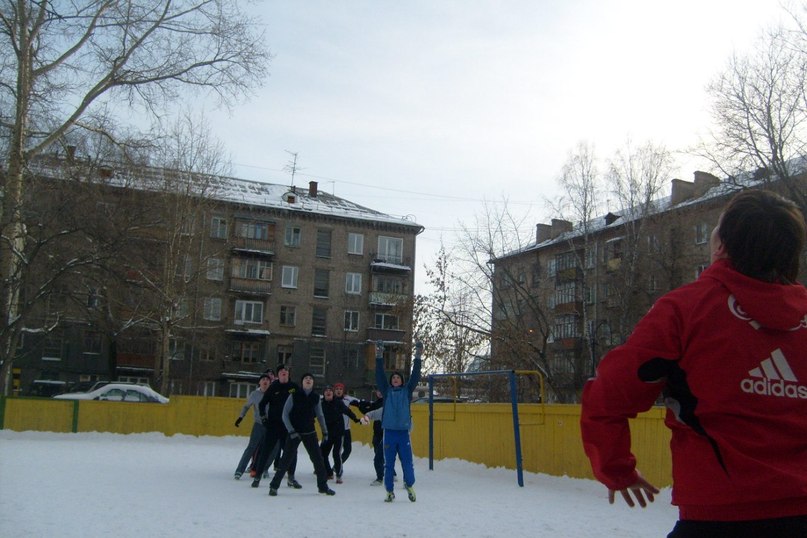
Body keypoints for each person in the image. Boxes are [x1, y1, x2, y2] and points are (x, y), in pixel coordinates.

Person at [580, 189, 807, 537]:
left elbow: (608, 394)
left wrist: (616, 469)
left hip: (718, 514)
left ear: (721, 247)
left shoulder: (686, 310)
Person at [267, 373, 335, 496]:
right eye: (305, 379)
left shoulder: (315, 398)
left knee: (318, 460)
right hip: (295, 432)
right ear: (302, 382)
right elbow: (285, 414)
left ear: (313, 383)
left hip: (309, 431)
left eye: (310, 379)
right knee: (286, 460)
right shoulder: (294, 395)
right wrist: (291, 430)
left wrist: (325, 431)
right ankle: (274, 486)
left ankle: (323, 486)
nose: (308, 380)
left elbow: (320, 415)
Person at [375, 340, 423, 502]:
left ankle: (409, 484)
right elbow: (379, 375)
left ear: (402, 381)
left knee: (407, 463)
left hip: (403, 434)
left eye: (398, 377)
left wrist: (417, 356)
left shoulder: (407, 391)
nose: (395, 379)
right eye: (393, 377)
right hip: (389, 433)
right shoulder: (386, 392)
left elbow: (416, 375)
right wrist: (379, 355)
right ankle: (389, 491)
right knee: (389, 465)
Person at [251, 365, 300, 489]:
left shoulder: (294, 387)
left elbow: (301, 404)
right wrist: (264, 419)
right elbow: (262, 404)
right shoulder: (273, 387)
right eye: (281, 371)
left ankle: (291, 477)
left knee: (291, 452)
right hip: (273, 425)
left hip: (288, 426)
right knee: (266, 451)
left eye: (286, 371)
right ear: (278, 375)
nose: (284, 373)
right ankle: (257, 477)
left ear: (289, 374)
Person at [232, 371, 274, 479]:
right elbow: (246, 406)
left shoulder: (273, 394)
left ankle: (264, 469)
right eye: (263, 380)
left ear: (270, 383)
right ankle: (239, 470)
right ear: (259, 382)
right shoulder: (254, 394)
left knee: (273, 449)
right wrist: (241, 417)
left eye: (267, 380)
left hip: (271, 426)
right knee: (251, 447)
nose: (265, 381)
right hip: (259, 424)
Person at [319, 385, 360, 483]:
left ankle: (339, 474)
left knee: (336, 454)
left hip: (338, 433)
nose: (328, 392)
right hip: (327, 433)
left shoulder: (338, 403)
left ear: (332, 394)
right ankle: (329, 472)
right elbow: (313, 414)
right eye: (326, 391)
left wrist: (356, 419)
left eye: (330, 391)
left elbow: (348, 411)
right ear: (324, 394)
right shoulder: (321, 404)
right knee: (322, 453)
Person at [355, 388, 386, 485]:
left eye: (381, 391)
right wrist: (360, 405)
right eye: (378, 391)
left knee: (386, 455)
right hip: (377, 431)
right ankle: (381, 475)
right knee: (378, 454)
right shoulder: (375, 404)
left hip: (387, 433)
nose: (380, 393)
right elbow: (368, 413)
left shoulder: (387, 403)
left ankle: (390, 473)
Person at [333, 382, 359, 478]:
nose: (339, 391)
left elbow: (360, 403)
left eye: (340, 389)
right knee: (326, 450)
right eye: (337, 389)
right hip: (333, 429)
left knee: (347, 450)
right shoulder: (330, 399)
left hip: (345, 429)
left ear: (343, 390)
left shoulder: (348, 399)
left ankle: (336, 467)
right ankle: (322, 467)